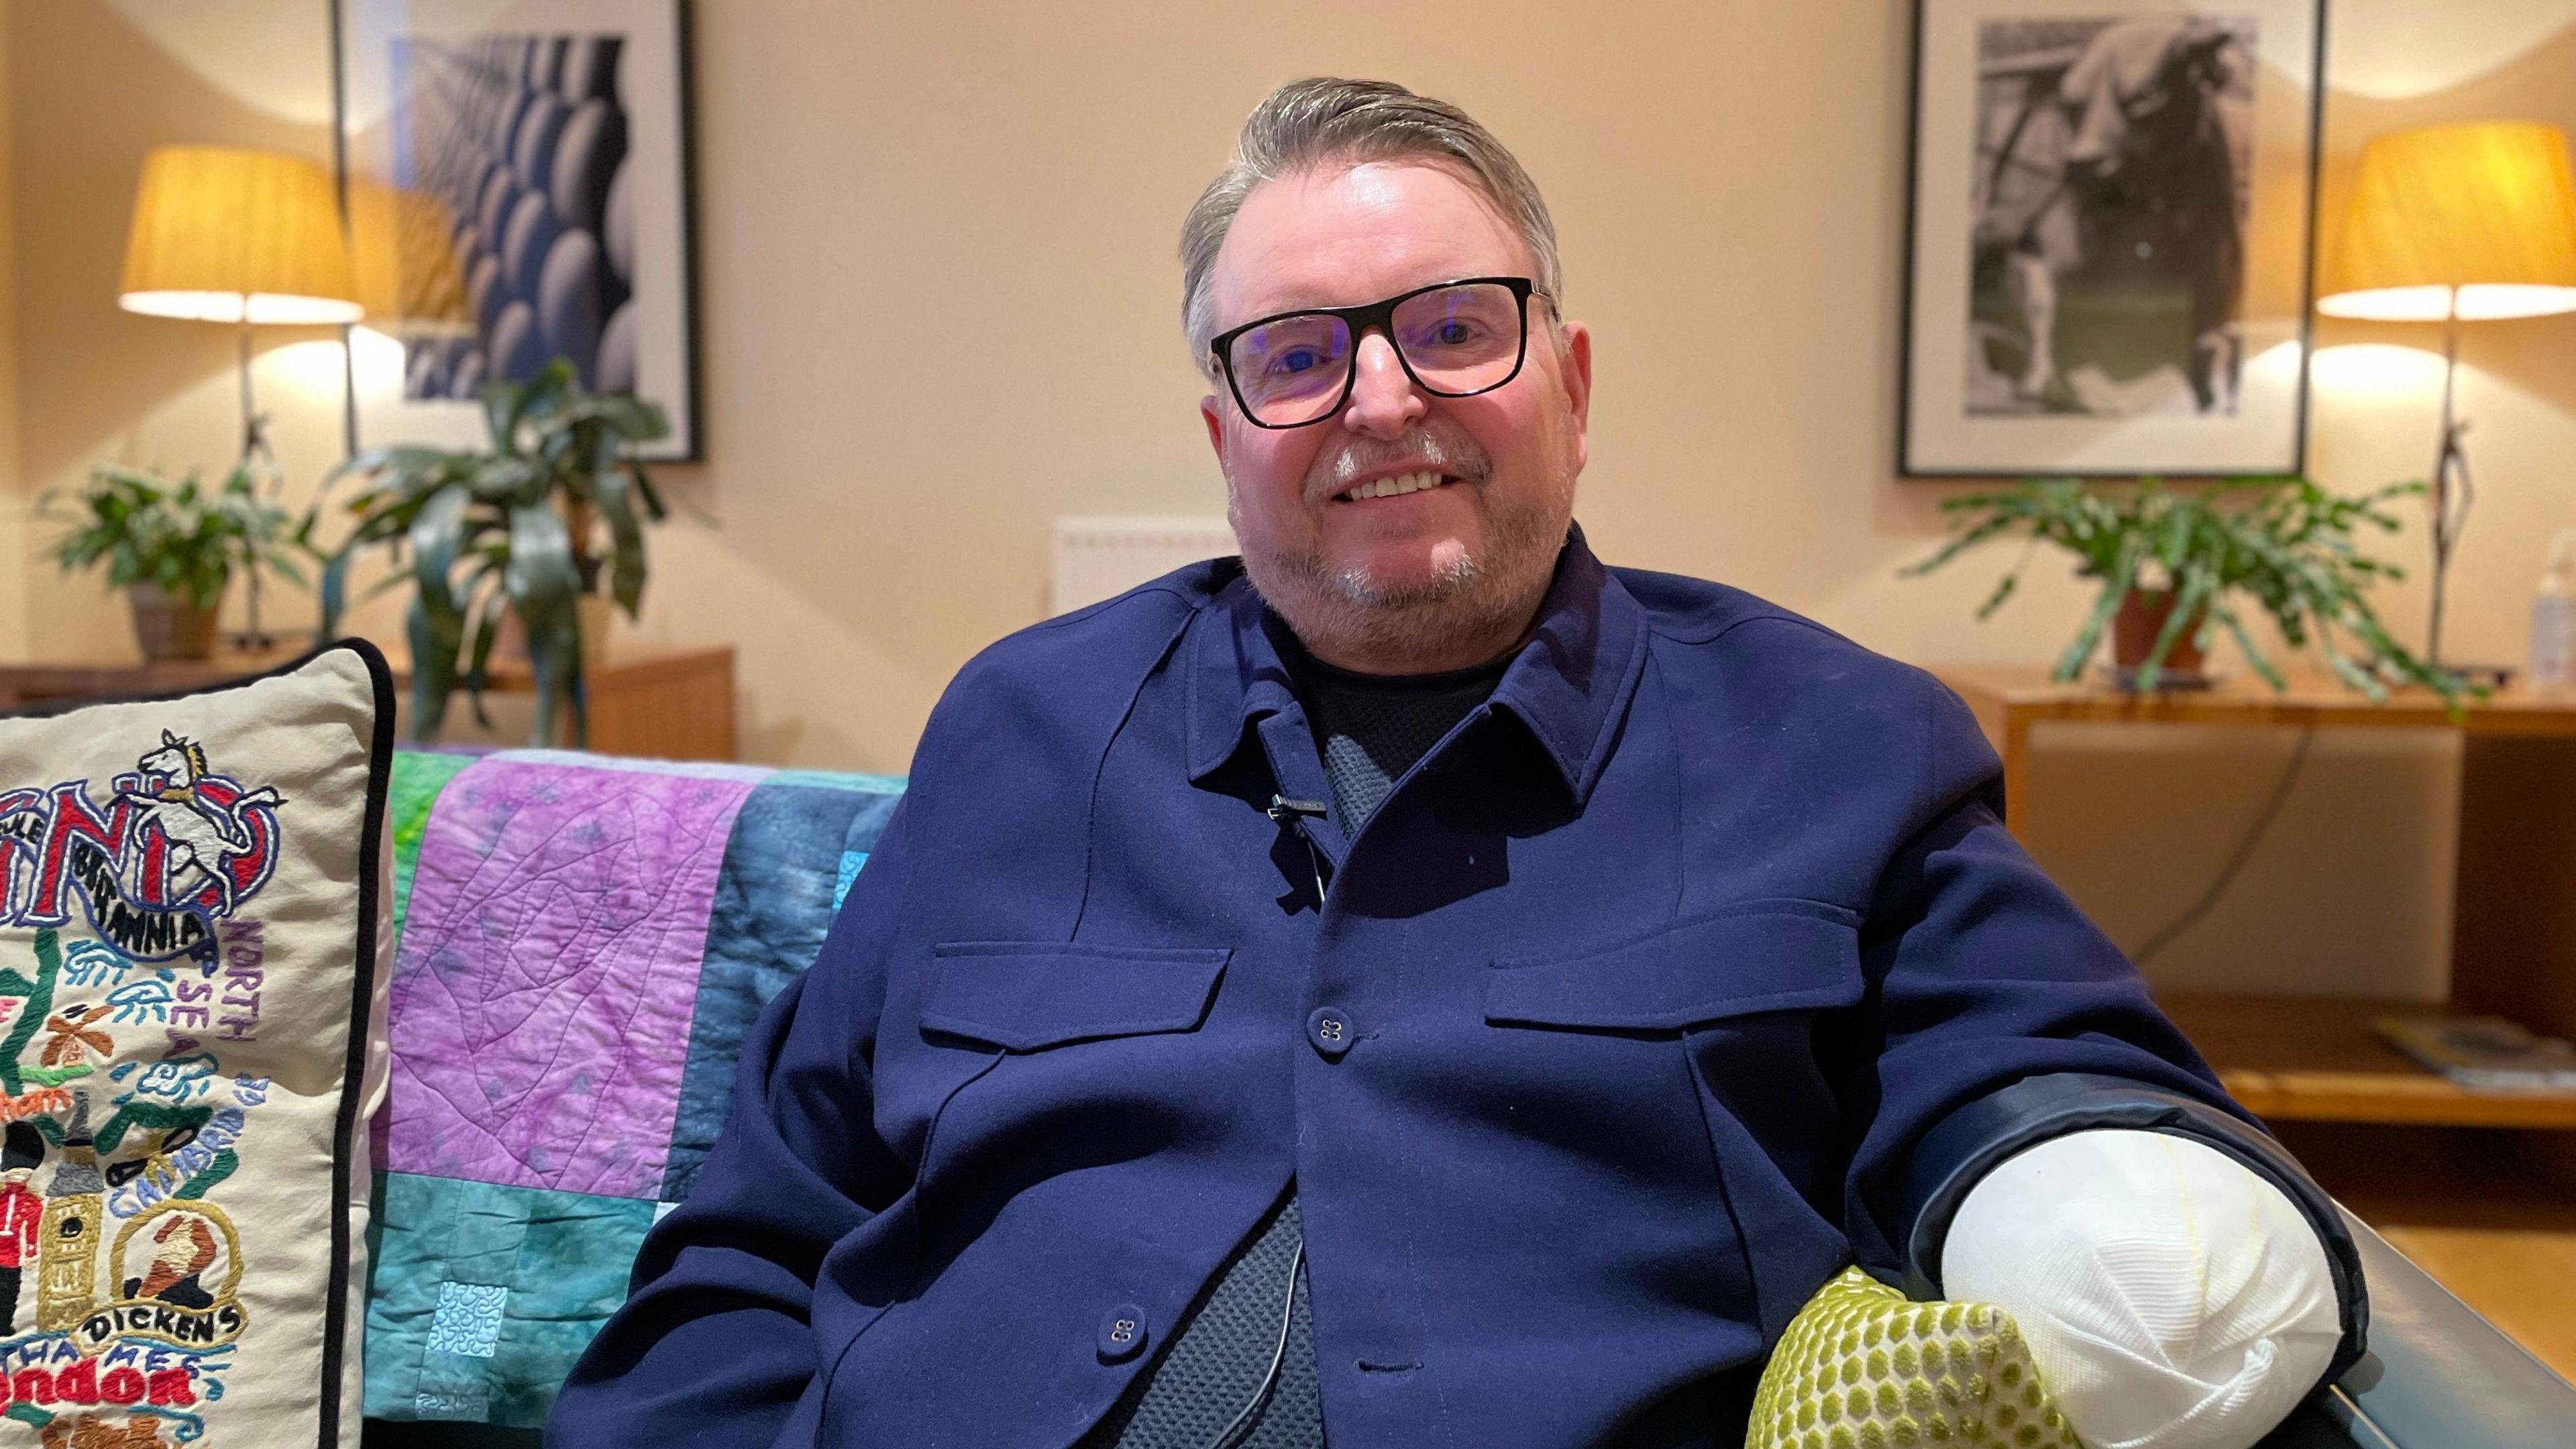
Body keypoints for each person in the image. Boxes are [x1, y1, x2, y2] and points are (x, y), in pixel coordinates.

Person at [551, 79, 2359, 1449]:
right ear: (1225, 433)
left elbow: (2046, 1079)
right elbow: (758, 1236)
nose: (1381, 400)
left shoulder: (1836, 738)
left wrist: (2100, 1209)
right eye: (1296, 354)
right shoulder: (1018, 730)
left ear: (1570, 379)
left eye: (1453, 327)